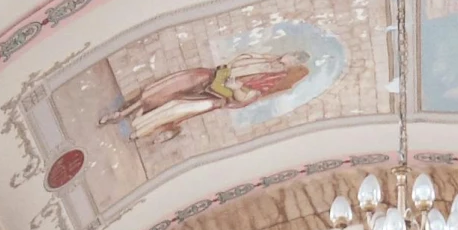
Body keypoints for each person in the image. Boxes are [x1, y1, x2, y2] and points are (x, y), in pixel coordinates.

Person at [100, 52, 313, 145]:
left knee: (177, 108)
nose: (286, 59)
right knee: (166, 86)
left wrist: (235, 88)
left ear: (292, 66)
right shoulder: (265, 59)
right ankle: (122, 113)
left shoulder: (271, 80)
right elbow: (239, 59)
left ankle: (141, 130)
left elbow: (248, 98)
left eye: (292, 60)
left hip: (219, 96)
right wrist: (230, 69)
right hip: (212, 76)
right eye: (290, 56)